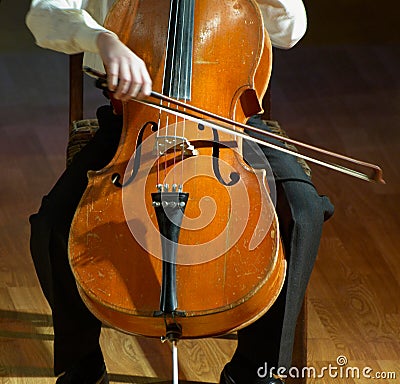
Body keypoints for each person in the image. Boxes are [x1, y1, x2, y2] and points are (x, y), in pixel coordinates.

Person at [26, 1, 334, 383]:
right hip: (136, 121)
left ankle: (254, 370)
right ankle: (82, 367)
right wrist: (102, 38)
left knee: (302, 214)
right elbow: (42, 15)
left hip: (228, 125)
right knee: (52, 225)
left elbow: (290, 31)